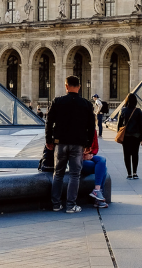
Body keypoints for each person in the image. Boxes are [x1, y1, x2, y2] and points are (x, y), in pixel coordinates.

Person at [45, 75, 94, 214]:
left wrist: (49, 140)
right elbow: (91, 126)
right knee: (74, 175)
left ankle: (56, 204)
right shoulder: (86, 104)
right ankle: (71, 205)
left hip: (60, 143)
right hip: (78, 144)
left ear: (66, 86)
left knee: (58, 173)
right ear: (79, 87)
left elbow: (49, 122)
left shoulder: (57, 101)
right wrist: (89, 143)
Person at [117, 93, 142, 179]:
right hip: (136, 136)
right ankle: (135, 173)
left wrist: (119, 134)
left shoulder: (123, 110)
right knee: (135, 154)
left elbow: (119, 125)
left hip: (125, 136)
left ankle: (129, 173)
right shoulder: (138, 111)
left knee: (126, 155)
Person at [82, 114, 108, 208]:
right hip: (80, 159)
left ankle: (97, 190)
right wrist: (83, 155)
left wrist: (91, 154)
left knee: (102, 160)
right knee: (103, 169)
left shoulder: (94, 131)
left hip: (90, 156)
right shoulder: (80, 131)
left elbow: (96, 147)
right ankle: (98, 199)